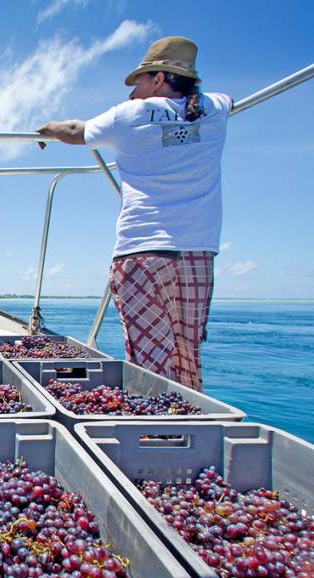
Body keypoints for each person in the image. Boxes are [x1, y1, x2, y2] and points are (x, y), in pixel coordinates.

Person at [36, 36, 232, 391]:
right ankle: (188, 433)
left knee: (148, 363)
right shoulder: (214, 108)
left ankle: (154, 435)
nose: (132, 92)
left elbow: (75, 131)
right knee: (187, 355)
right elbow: (228, 100)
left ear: (159, 79)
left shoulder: (130, 116)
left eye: (139, 81)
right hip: (197, 253)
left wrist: (46, 129)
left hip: (142, 253)